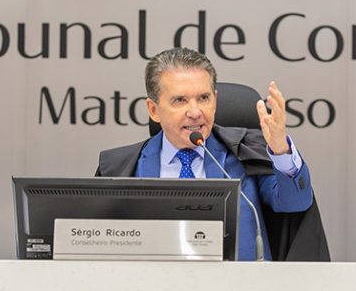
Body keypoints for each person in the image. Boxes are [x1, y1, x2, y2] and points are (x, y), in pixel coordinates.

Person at [96, 47, 329, 261]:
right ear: (153, 110)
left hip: (241, 289)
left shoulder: (245, 154)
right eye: (180, 100)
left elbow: (296, 202)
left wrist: (281, 150)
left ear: (215, 101)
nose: (195, 112)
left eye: (203, 98)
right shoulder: (121, 168)